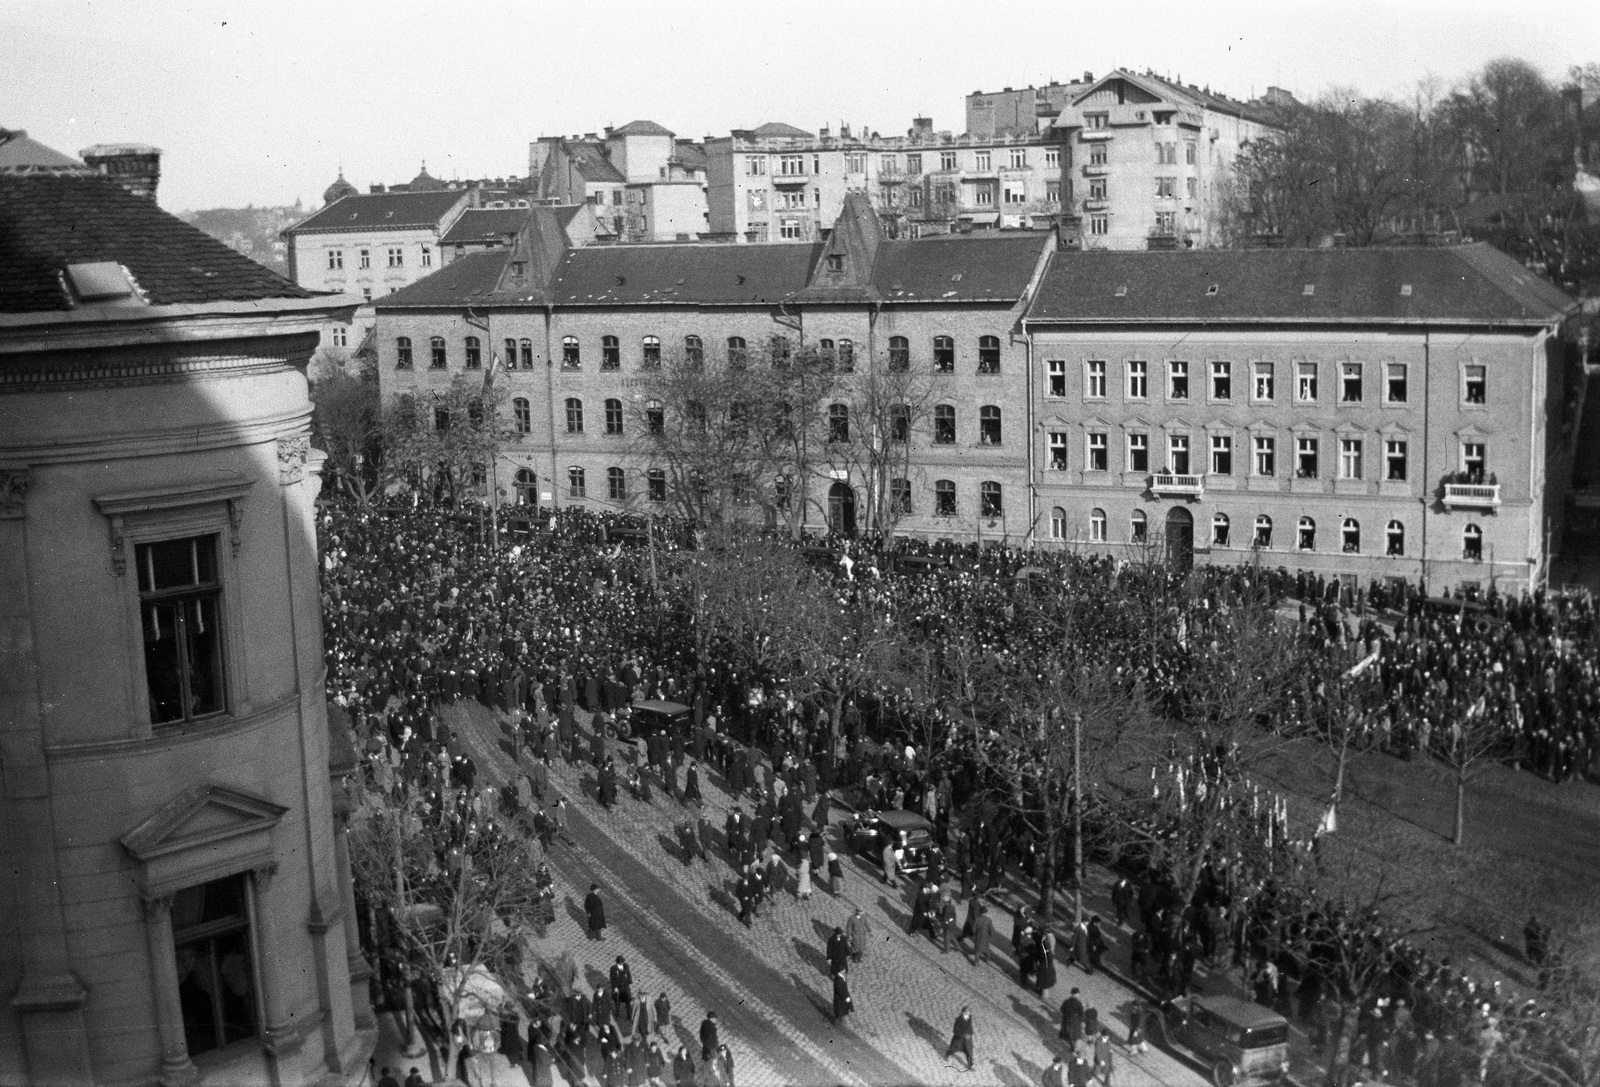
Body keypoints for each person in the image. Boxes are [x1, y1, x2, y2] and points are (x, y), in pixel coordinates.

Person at [945, 1006, 974, 1071]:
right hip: (959, 1038)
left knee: (969, 1051)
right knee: (953, 1049)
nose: (968, 1012)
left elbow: (970, 1028)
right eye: (967, 1011)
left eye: (969, 1011)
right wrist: (962, 1035)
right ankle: (948, 1055)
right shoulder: (959, 1019)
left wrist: (970, 1034)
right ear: (963, 1012)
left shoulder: (969, 1018)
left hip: (967, 1039)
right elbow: (955, 1030)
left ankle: (970, 1065)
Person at [971, 901, 995, 966]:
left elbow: (973, 929)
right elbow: (991, 930)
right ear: (986, 912)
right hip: (986, 937)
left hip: (978, 937)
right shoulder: (988, 920)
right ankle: (987, 959)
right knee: (987, 949)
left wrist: (975, 934)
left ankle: (976, 962)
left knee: (977, 951)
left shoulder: (977, 919)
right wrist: (991, 936)